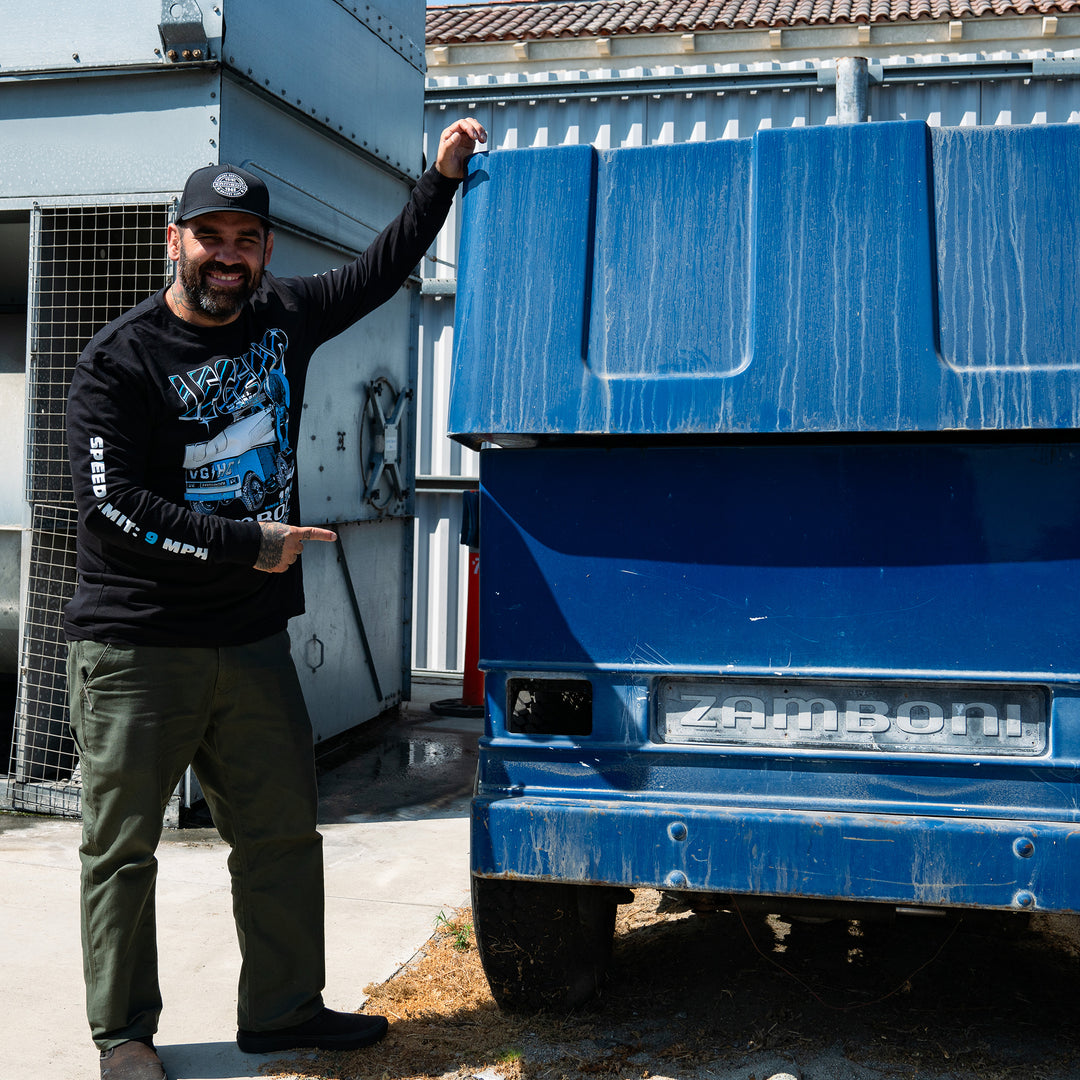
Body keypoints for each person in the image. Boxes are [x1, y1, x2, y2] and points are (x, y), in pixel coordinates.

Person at [64, 117, 487, 1080]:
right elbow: (114, 505)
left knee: (281, 836)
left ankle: (286, 1010)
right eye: (210, 236)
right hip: (138, 644)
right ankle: (123, 1037)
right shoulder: (120, 358)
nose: (228, 255)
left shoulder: (284, 318)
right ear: (175, 241)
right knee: (121, 852)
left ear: (266, 253)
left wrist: (441, 179)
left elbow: (380, 271)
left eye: (246, 240)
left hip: (251, 641)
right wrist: (249, 542)